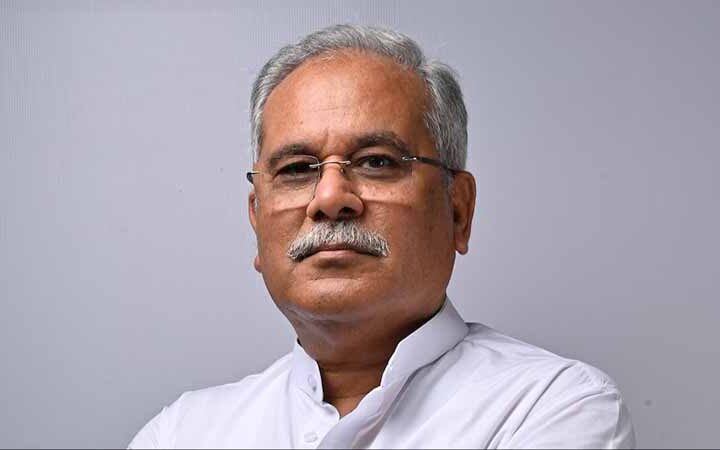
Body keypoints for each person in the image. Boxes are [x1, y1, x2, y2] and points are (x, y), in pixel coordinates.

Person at [129, 24, 635, 449]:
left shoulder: (552, 406)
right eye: (297, 169)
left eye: (376, 162)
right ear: (256, 218)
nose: (330, 197)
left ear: (458, 211)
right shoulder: (183, 432)